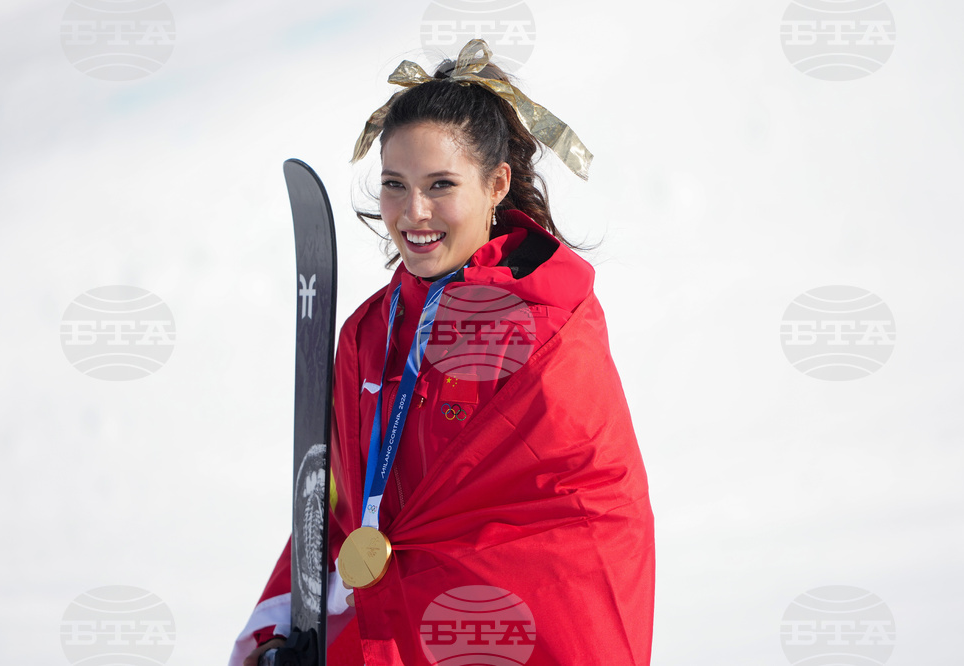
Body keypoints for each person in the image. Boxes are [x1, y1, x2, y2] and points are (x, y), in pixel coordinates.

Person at [231, 39, 655, 666]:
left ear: (496, 185)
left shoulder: (548, 331)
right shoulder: (370, 334)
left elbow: (570, 536)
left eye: (441, 185)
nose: (414, 212)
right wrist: (286, 635)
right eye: (395, 185)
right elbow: (343, 509)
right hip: (387, 633)